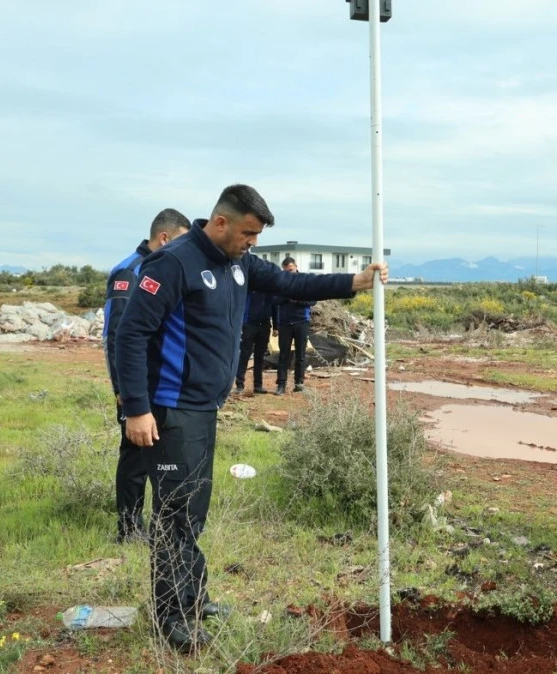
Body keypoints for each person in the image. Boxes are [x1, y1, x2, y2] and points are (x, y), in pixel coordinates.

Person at [114, 184, 388, 651]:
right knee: (175, 515)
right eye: (248, 232)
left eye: (257, 235)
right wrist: (136, 409)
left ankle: (193, 599)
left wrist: (352, 283)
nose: (252, 242)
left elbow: (289, 285)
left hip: (203, 409)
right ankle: (172, 620)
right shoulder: (173, 263)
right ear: (220, 222)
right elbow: (130, 335)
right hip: (170, 409)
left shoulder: (237, 262)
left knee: (191, 512)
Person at [102, 208, 190, 544]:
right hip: (136, 385)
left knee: (164, 457)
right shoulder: (130, 270)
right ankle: (129, 528)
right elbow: (117, 336)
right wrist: (123, 391)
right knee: (135, 456)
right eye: (182, 241)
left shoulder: (166, 269)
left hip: (163, 382)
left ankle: (162, 525)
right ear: (165, 238)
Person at [272, 257, 316, 396]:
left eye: (290, 270)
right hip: (285, 324)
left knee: (300, 355)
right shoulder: (280, 283)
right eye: (286, 271)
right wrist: (286, 297)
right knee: (283, 356)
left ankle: (299, 383)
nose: (289, 273)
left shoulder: (305, 281)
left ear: (296, 267)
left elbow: (312, 300)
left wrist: (296, 299)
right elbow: (274, 300)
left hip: (301, 322)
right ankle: (281, 385)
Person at [234, 287, 273, 395]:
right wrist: (241, 324)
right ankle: (239, 384)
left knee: (260, 357)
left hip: (264, 326)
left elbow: (274, 307)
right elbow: (240, 306)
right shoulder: (249, 287)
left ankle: (258, 386)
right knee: (244, 355)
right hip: (249, 325)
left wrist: (276, 327)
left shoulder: (269, 289)